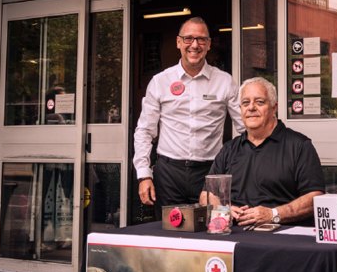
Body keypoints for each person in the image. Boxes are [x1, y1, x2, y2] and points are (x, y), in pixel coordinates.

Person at [133, 17, 245, 220]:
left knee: (214, 228)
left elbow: (245, 128)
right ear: (178, 42)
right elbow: (145, 131)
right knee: (169, 234)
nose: (195, 45)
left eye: (201, 39)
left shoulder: (225, 82)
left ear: (209, 44)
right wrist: (144, 174)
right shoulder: (160, 82)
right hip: (168, 173)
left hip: (210, 173)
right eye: (188, 38)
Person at [200, 77, 325, 226]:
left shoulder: (299, 146)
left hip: (281, 234)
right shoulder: (229, 149)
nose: (251, 107)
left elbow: (315, 197)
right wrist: (223, 209)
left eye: (259, 102)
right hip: (234, 233)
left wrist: (273, 214)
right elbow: (207, 194)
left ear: (274, 108)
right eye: (246, 103)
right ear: (240, 109)